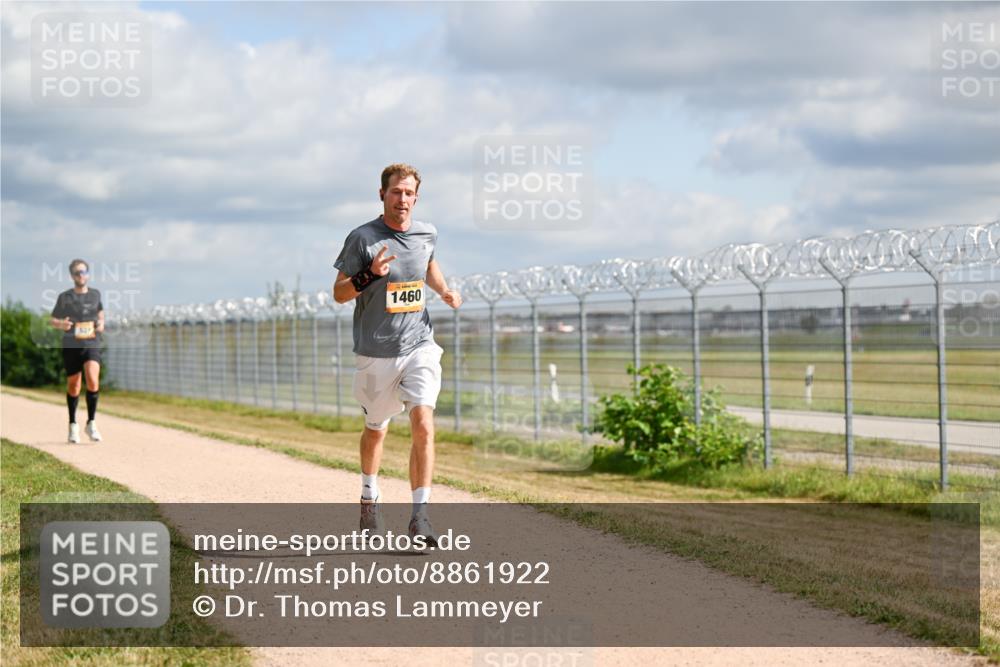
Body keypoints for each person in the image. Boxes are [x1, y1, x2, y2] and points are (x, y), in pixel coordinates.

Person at [332, 163, 462, 546]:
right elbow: (339, 294)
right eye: (395, 192)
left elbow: (428, 266)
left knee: (423, 422)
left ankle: (420, 517)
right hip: (376, 353)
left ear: (416, 197)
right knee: (376, 430)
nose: (402, 199)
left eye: (408, 193)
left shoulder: (427, 233)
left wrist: (444, 291)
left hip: (419, 344)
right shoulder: (362, 238)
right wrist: (369, 274)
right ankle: (369, 497)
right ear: (382, 195)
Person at [49, 259, 104, 443]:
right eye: (77, 272)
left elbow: (101, 313)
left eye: (84, 271)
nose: (81, 275)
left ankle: (91, 422)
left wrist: (101, 323)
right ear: (72, 276)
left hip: (91, 343)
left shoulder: (95, 294)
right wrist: (61, 324)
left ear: (88, 274)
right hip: (72, 344)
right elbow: (53, 320)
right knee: (74, 385)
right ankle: (73, 425)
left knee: (93, 379)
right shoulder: (65, 297)